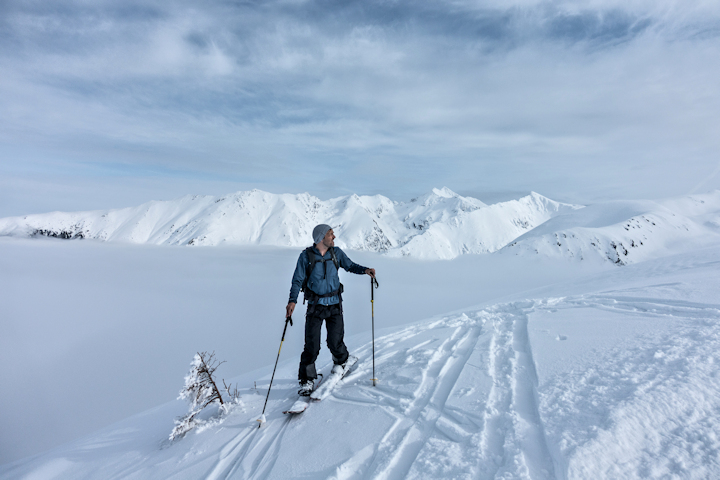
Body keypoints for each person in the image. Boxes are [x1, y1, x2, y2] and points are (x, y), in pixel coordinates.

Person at [286, 224, 376, 396]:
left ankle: (342, 360)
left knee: (335, 341)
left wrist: (365, 270)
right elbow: (297, 280)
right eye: (330, 234)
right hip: (315, 306)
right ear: (321, 237)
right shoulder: (306, 256)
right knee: (311, 345)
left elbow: (350, 265)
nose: (334, 237)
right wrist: (292, 301)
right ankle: (306, 380)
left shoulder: (337, 254)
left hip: (335, 304)